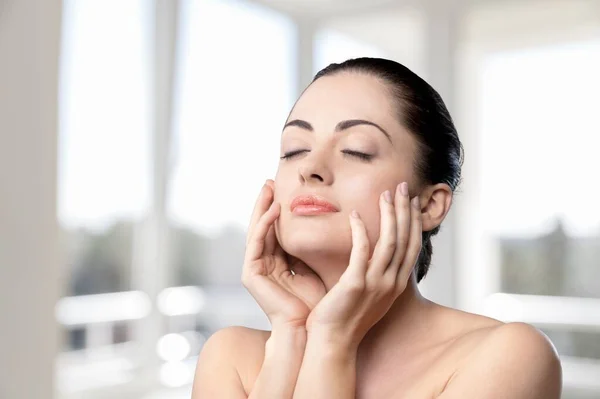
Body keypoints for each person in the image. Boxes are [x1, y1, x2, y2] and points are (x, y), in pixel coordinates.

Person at [191, 57, 562, 398]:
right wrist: (293, 334)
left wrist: (333, 342)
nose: (310, 168)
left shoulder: (508, 355)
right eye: (294, 150)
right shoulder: (230, 358)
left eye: (357, 150)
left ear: (429, 205)